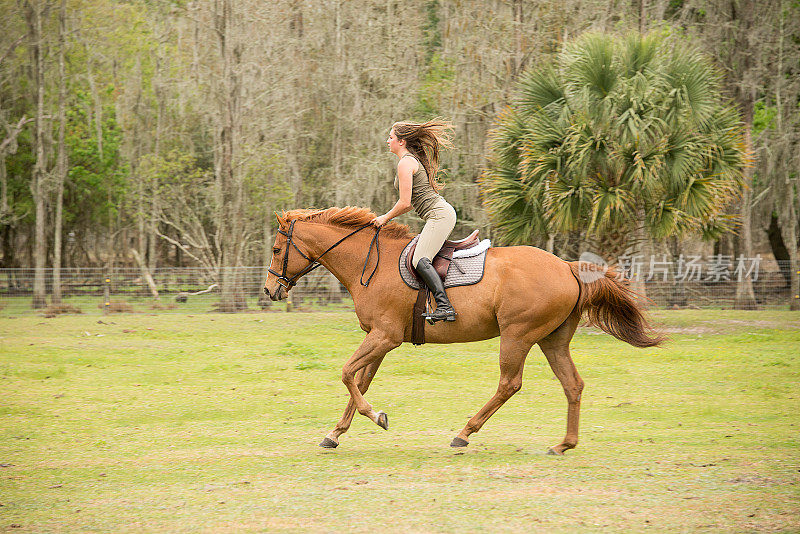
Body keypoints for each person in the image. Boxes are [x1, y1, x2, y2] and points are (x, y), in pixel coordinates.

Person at [371, 119, 457, 323]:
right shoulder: (409, 161)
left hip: (439, 215)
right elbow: (409, 204)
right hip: (439, 214)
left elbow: (404, 202)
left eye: (390, 137)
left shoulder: (405, 163)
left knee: (420, 259)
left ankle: (444, 307)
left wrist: (385, 217)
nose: (387, 141)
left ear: (401, 142)